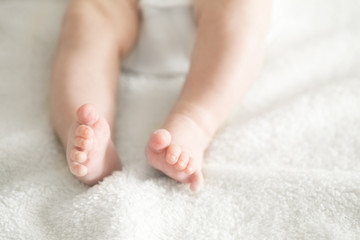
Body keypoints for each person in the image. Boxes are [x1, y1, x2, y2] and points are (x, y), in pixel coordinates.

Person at [50, 0, 271, 192]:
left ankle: (194, 121)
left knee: (243, 13)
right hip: (120, 10)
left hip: (215, 20)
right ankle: (88, 135)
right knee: (86, 23)